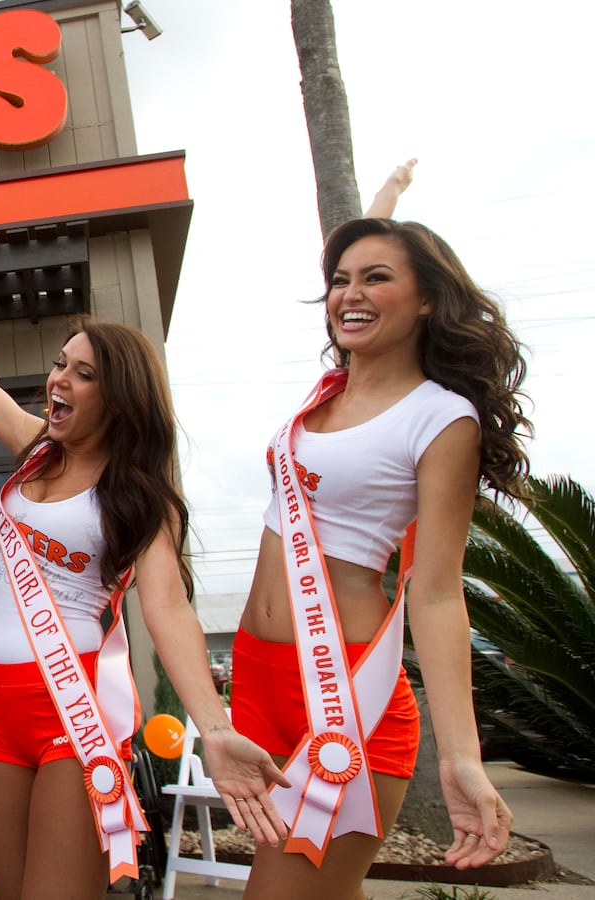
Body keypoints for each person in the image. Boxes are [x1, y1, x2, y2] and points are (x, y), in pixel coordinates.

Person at [0, 307, 284, 899]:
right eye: (61, 364)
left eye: (84, 374)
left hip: (71, 708)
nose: (59, 379)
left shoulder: (140, 497)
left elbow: (168, 608)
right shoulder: (35, 450)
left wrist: (214, 727)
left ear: (120, 399)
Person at [230, 212, 529, 897]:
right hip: (255, 676)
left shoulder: (441, 417)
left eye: (376, 277)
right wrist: (382, 210)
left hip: (343, 693)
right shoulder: (326, 393)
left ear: (426, 299)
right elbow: (354, 281)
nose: (349, 294)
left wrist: (462, 756)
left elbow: (437, 592)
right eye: (340, 280)